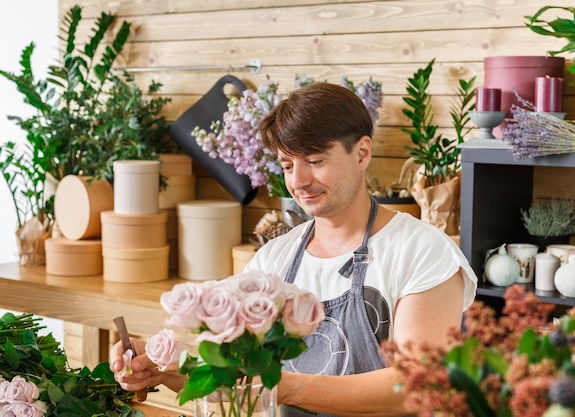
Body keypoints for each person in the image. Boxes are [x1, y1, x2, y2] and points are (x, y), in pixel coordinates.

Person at [110, 82, 478, 417]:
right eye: (287, 164)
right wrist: (160, 366)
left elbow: (414, 385)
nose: (298, 182)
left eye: (315, 161)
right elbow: (234, 376)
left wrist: (284, 386)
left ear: (362, 153)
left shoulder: (423, 251)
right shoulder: (274, 259)